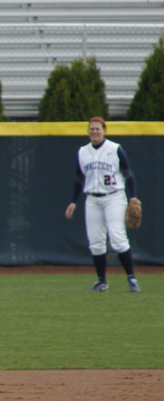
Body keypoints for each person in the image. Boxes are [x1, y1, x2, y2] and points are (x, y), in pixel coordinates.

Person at [65, 116, 140, 293]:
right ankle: (102, 282)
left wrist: (133, 197)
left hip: (114, 197)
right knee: (96, 242)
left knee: (117, 238)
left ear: (104, 131)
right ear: (88, 132)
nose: (94, 132)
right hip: (92, 199)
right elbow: (78, 178)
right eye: (91, 129)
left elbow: (128, 174)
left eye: (97, 129)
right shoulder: (82, 152)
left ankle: (131, 278)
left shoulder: (115, 149)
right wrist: (73, 201)